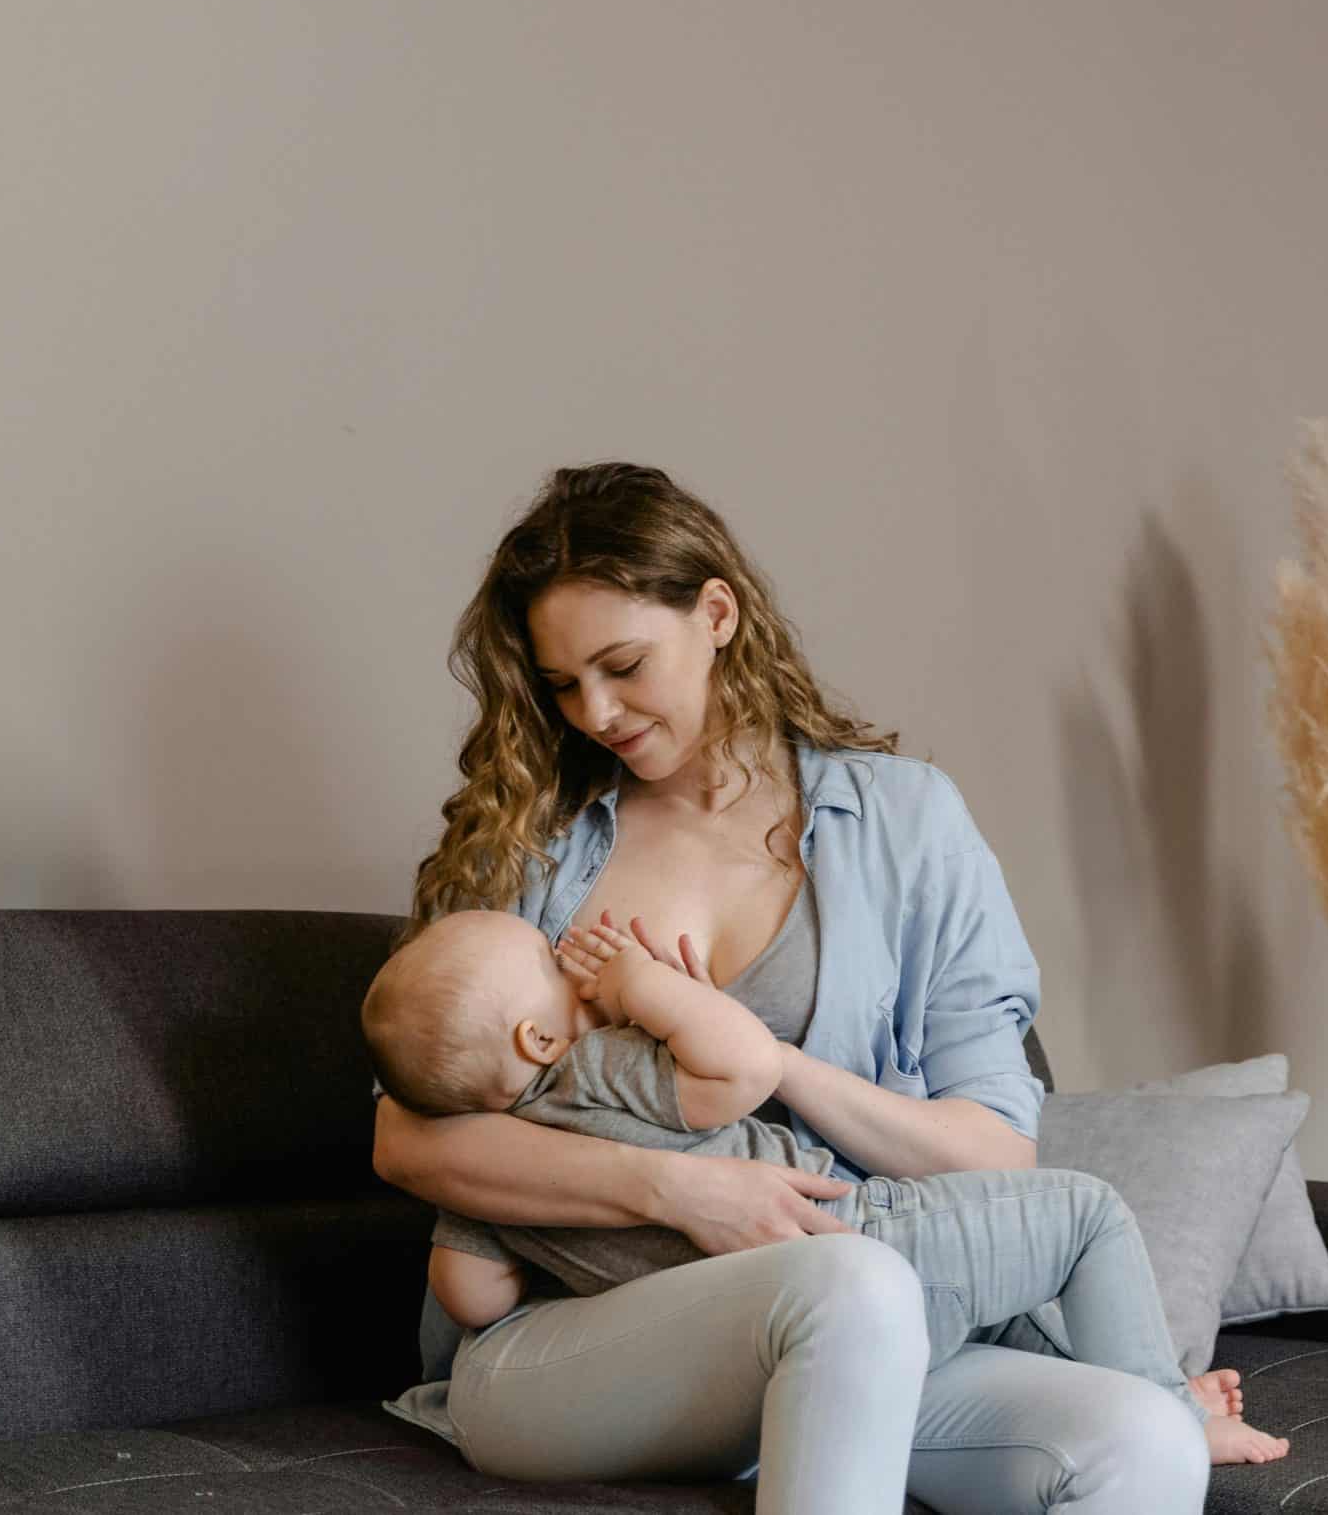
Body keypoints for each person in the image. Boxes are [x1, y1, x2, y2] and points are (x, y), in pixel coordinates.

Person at [369, 461, 1226, 1513]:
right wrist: (679, 1192)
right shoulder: (528, 844)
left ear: (717, 613)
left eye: (623, 665)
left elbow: (995, 1153)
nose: (596, 711)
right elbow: (408, 1140)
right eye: (563, 685)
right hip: (573, 1343)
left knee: (1146, 1440)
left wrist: (775, 1063)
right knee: (850, 1284)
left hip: (856, 1326)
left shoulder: (907, 823)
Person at [360, 904, 1289, 1466]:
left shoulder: (489, 1178)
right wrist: (644, 987)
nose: (572, 960)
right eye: (550, 959)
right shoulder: (597, 1065)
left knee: (1010, 1304)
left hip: (738, 1332)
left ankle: (1130, 1383)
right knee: (1085, 1213)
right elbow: (745, 1066)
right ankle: (1171, 1409)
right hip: (859, 1232)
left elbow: (471, 1293)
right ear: (537, 1039)